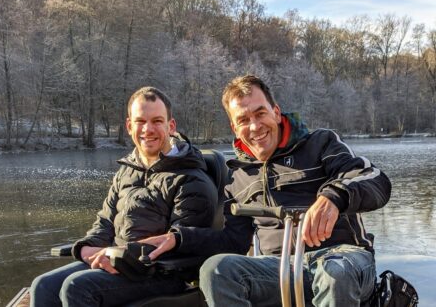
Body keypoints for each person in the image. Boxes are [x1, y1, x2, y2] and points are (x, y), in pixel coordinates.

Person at [143, 75, 391, 306]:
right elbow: (233, 240)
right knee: (217, 269)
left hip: (343, 257)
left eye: (260, 113)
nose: (254, 126)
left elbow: (375, 180)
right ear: (234, 126)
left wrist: (334, 197)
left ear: (275, 111)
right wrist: (178, 238)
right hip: (278, 266)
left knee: (335, 273)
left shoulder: (321, 143)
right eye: (243, 120)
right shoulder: (238, 175)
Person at [29, 87, 217, 307]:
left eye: (157, 121)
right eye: (140, 121)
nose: (148, 129)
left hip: (161, 271)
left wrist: (118, 254)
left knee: (77, 287)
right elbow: (106, 222)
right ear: (129, 126)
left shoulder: (191, 179)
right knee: (43, 285)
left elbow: (178, 241)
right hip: (116, 261)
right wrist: (87, 247)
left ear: (171, 126)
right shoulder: (127, 171)